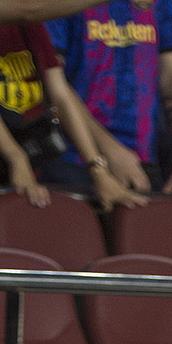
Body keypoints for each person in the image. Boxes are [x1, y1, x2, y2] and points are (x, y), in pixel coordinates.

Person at [43, 0, 172, 194]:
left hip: (142, 161)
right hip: (73, 159)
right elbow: (52, 83)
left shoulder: (162, 3)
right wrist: (108, 151)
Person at [0, 14, 142, 204]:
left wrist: (98, 170)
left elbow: (60, 93)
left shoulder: (30, 19)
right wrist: (15, 157)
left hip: (32, 153)